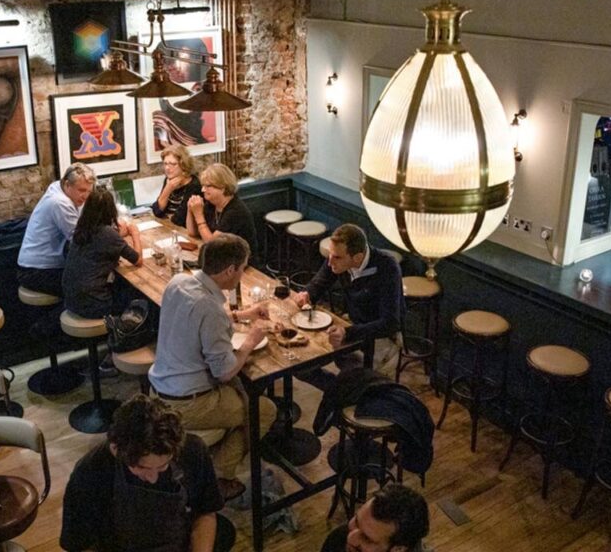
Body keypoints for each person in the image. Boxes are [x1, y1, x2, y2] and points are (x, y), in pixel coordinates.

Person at [148, 233, 276, 499]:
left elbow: (200, 319)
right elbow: (224, 371)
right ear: (230, 270)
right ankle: (220, 475)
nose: (242, 273)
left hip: (158, 390)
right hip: (188, 403)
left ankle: (210, 460)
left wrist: (243, 315)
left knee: (241, 394)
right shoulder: (210, 308)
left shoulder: (179, 281)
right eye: (242, 268)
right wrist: (251, 340)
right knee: (263, 409)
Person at [60, 394, 234, 552]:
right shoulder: (90, 471)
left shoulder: (193, 450)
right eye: (142, 468)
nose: (153, 478)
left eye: (162, 466)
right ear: (115, 448)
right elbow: (79, 544)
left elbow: (205, 511)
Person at [292, 224, 404, 391]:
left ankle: (350, 391)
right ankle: (338, 389)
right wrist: (306, 294)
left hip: (381, 337)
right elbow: (318, 283)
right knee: (299, 364)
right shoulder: (337, 260)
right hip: (350, 327)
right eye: (330, 254)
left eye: (336, 257)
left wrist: (348, 333)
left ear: (357, 258)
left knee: (352, 380)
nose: (330, 261)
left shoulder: (387, 267)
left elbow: (390, 323)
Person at [17, 163, 96, 298]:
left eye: (89, 191)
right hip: (36, 271)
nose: (85, 196)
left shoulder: (59, 188)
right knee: (91, 288)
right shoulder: (60, 202)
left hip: (38, 266)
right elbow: (80, 239)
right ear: (67, 184)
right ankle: (53, 319)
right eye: (82, 190)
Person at [62, 187, 142, 320]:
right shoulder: (107, 234)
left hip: (71, 298)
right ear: (111, 210)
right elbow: (138, 260)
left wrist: (118, 234)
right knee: (137, 294)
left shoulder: (81, 229)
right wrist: (135, 234)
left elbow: (100, 244)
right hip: (94, 304)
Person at [321, 484, 430, 552]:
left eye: (367, 539)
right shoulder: (338, 540)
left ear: (398, 549)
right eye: (357, 521)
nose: (350, 538)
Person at [185, 163, 257, 255]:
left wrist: (199, 215)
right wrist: (190, 209)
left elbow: (212, 244)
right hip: (222, 256)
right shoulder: (212, 204)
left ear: (222, 187)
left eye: (208, 186)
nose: (203, 190)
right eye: (203, 186)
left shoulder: (235, 211)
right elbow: (192, 233)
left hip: (241, 262)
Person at [152, 144, 202, 228]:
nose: (167, 168)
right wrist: (167, 189)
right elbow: (157, 211)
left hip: (185, 232)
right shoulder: (169, 180)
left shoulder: (194, 185)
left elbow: (179, 220)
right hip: (168, 227)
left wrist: (167, 217)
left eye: (173, 164)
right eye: (165, 164)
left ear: (183, 165)